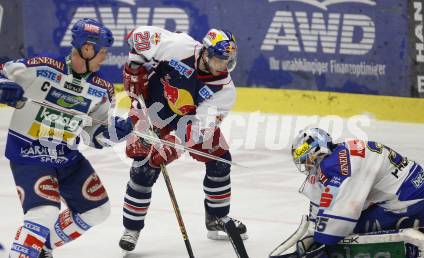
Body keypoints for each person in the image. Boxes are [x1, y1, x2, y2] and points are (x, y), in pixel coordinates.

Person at [0, 18, 138, 258]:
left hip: (67, 156)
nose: (104, 57)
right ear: (87, 49)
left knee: (97, 210)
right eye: (102, 52)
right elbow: (0, 75)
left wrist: (113, 133)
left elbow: (93, 135)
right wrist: (4, 88)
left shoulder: (102, 89)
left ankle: (40, 247)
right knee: (44, 212)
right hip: (30, 152)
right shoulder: (42, 67)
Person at [119, 26, 247, 253]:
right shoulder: (179, 46)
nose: (223, 66)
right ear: (205, 52)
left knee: (219, 161)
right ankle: (132, 229)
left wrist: (173, 146)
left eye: (227, 60)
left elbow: (199, 129)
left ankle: (217, 218)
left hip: (188, 123)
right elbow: (136, 38)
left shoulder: (225, 90)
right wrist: (134, 67)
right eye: (219, 59)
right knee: (143, 168)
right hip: (152, 111)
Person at [270, 128, 424, 257]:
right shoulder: (340, 153)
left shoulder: (338, 164)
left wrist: (322, 245)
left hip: (412, 202)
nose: (306, 165)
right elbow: (328, 203)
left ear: (317, 151)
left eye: (307, 160)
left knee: (350, 230)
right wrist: (314, 231)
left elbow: (343, 215)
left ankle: (410, 242)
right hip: (410, 192)